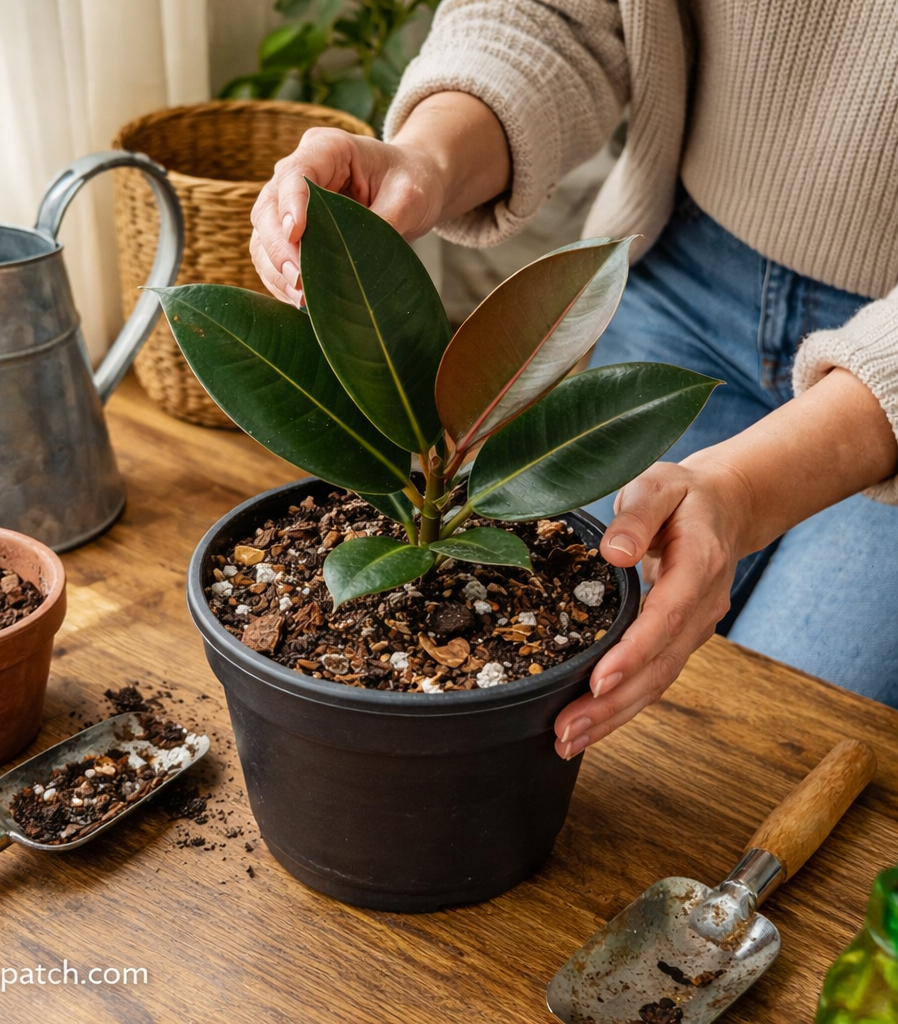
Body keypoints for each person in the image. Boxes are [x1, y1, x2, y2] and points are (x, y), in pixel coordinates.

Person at [248, 0, 898, 757]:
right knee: (597, 686)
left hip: (880, 396)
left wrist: (747, 491)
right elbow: (559, 14)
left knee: (766, 744)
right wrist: (428, 158)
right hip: (681, 266)